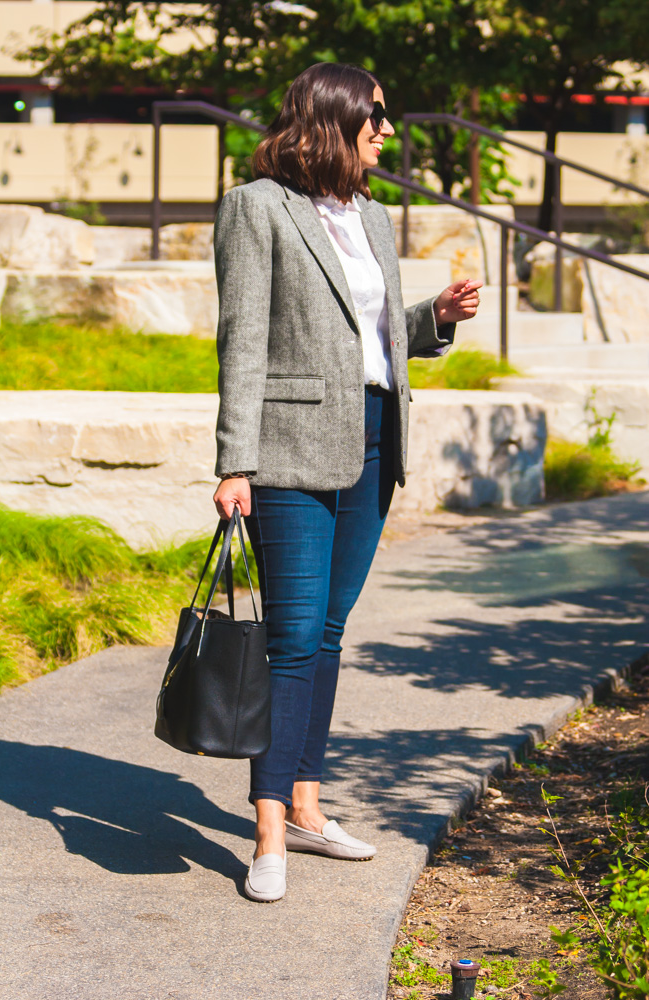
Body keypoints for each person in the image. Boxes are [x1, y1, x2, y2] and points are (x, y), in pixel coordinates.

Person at [212, 62, 481, 902]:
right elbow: (243, 340)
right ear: (332, 118)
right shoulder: (256, 207)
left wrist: (430, 319)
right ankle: (266, 835)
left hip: (372, 439)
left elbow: (366, 338)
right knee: (291, 639)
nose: (386, 131)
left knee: (327, 632)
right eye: (376, 116)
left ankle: (305, 806)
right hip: (287, 450)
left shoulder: (373, 217)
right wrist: (233, 460)